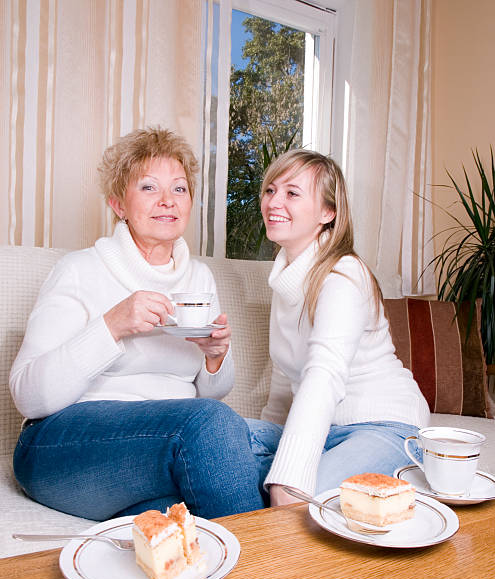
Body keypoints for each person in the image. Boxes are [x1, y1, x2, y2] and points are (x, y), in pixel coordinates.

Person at [10, 126, 264, 520]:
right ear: (118, 204)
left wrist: (215, 357)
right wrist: (111, 325)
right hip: (62, 445)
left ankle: (156, 520)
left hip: (161, 447)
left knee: (280, 445)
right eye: (148, 187)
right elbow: (28, 395)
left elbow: (211, 393)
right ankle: (265, 574)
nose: (167, 201)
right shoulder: (79, 270)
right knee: (215, 428)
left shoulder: (197, 278)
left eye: (179, 189)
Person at [246, 149, 430, 507]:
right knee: (211, 440)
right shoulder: (285, 279)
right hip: (328, 429)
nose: (274, 201)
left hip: (386, 426)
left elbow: (323, 375)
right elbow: (286, 384)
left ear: (327, 213)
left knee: (305, 510)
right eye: (270, 190)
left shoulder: (344, 273)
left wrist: (287, 479)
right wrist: (273, 444)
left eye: (292, 193)